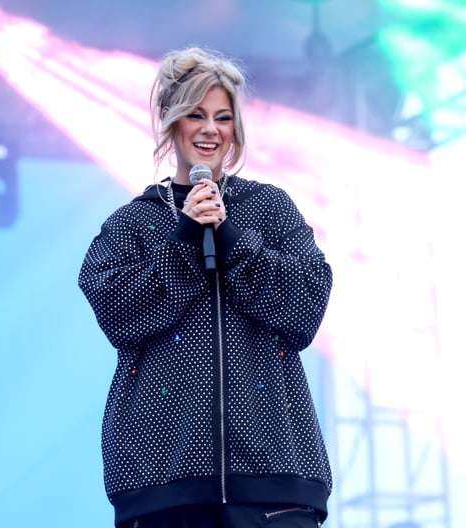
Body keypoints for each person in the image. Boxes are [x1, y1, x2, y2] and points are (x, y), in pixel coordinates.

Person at [78, 46, 333, 528]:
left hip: (273, 476)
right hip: (164, 481)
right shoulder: (133, 223)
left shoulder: (268, 208)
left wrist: (232, 238)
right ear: (172, 122)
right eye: (196, 115)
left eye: (222, 116)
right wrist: (187, 240)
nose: (210, 129)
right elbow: (117, 314)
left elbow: (307, 306)